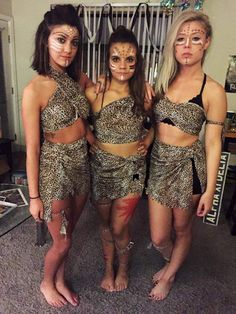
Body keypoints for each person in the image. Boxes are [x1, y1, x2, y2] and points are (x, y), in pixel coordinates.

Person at [146, 10, 227, 301]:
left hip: (188, 168)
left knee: (182, 228)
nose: (187, 45)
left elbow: (214, 143)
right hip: (158, 164)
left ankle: (170, 274)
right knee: (158, 237)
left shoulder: (214, 90)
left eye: (195, 38)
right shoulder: (162, 81)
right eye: (181, 39)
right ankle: (172, 260)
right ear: (173, 44)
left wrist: (210, 189)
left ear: (206, 42)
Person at [22, 5, 92, 308]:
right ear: (45, 40)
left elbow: (91, 115)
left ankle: (61, 279)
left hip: (81, 166)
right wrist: (34, 196)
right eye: (60, 39)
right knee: (61, 240)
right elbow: (33, 148)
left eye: (74, 42)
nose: (68, 49)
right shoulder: (34, 89)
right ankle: (46, 282)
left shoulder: (81, 79)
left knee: (69, 234)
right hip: (55, 170)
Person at [85, 26, 154, 292]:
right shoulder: (95, 93)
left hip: (132, 172)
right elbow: (76, 119)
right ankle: (107, 268)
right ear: (107, 61)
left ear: (137, 61)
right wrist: (90, 138)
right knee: (105, 224)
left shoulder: (143, 95)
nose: (123, 65)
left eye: (130, 59)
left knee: (119, 225)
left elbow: (159, 122)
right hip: (101, 169)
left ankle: (123, 268)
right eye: (116, 58)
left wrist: (147, 140)